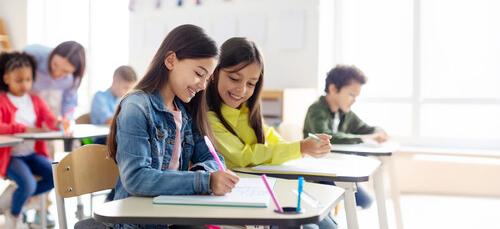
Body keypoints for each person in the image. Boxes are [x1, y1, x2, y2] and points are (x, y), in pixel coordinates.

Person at [105, 24, 239, 229]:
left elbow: (213, 158)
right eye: (198, 73)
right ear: (170, 60)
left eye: (206, 78)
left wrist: (209, 177)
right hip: (138, 223)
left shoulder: (185, 111)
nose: (203, 85)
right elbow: (136, 178)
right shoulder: (136, 107)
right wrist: (204, 182)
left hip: (174, 214)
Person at [206, 37, 337, 229]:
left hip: (271, 189)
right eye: (234, 78)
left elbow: (278, 142)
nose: (241, 90)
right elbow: (243, 157)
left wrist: (303, 147)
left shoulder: (248, 113)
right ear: (215, 72)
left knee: (328, 224)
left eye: (251, 83)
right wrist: (300, 147)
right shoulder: (209, 118)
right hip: (245, 198)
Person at [303, 64, 389, 209]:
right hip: (319, 174)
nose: (354, 100)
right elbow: (328, 137)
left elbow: (367, 128)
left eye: (356, 96)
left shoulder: (345, 113)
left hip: (339, 169)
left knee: (367, 201)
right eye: (351, 94)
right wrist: (363, 138)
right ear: (333, 89)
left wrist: (379, 132)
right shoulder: (316, 110)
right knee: (356, 199)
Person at [0, 52, 70, 228]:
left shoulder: (35, 100)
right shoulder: (2, 100)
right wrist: (24, 129)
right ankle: (14, 216)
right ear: (6, 78)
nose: (25, 84)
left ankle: (16, 194)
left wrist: (58, 122)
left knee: (57, 177)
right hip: (11, 157)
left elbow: (49, 118)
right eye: (19, 80)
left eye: (28, 79)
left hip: (32, 154)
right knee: (28, 184)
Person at [23, 41, 86, 119]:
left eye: (65, 71)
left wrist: (66, 118)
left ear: (74, 71)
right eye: (55, 64)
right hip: (24, 96)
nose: (57, 73)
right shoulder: (33, 54)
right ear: (52, 55)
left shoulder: (74, 79)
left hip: (50, 105)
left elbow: (69, 101)